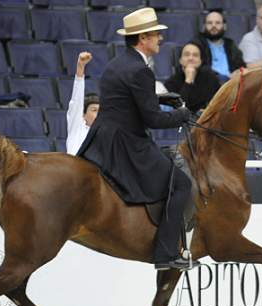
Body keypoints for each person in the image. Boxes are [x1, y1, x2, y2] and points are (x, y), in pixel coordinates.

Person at [76, 7, 195, 270]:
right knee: (182, 184)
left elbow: (127, 101)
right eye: (156, 35)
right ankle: (166, 254)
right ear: (144, 38)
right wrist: (182, 115)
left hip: (103, 139)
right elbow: (152, 120)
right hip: (127, 144)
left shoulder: (115, 65)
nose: (160, 39)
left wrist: (163, 99)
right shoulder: (141, 70)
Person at [164, 42, 221, 114]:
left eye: (195, 55)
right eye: (187, 54)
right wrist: (188, 81)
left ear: (200, 61)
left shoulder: (211, 78)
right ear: (180, 60)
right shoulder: (171, 83)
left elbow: (219, 102)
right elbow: (178, 109)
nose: (191, 58)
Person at [191, 9, 245, 80]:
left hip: (231, 85)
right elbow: (201, 69)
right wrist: (225, 78)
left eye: (218, 23)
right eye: (210, 23)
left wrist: (239, 73)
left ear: (224, 26)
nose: (213, 26)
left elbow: (241, 66)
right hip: (208, 84)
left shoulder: (230, 44)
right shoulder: (197, 44)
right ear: (204, 26)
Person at [66, 52, 100, 155]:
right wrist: (80, 67)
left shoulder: (104, 135)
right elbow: (77, 100)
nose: (99, 114)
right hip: (72, 170)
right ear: (83, 114)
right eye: (94, 110)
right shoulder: (77, 127)